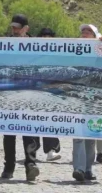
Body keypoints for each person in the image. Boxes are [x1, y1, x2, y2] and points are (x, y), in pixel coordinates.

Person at [1, 14, 40, 182]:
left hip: (30, 93)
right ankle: (9, 166)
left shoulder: (38, 46)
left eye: (17, 27)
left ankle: (30, 165)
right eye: (13, 27)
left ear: (26, 29)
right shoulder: (5, 45)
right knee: (9, 132)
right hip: (10, 93)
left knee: (29, 130)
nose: (14, 30)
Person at [71, 24, 102, 182]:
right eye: (83, 31)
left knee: (91, 134)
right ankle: (78, 168)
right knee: (78, 135)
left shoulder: (100, 51)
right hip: (77, 97)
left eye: (89, 31)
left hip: (95, 98)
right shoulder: (74, 51)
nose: (85, 33)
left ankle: (87, 168)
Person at [37, 27, 62, 162]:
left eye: (49, 36)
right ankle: (31, 151)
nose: (46, 38)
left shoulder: (58, 55)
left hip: (52, 92)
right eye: (44, 36)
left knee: (50, 121)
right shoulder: (34, 54)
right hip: (35, 90)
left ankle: (51, 151)